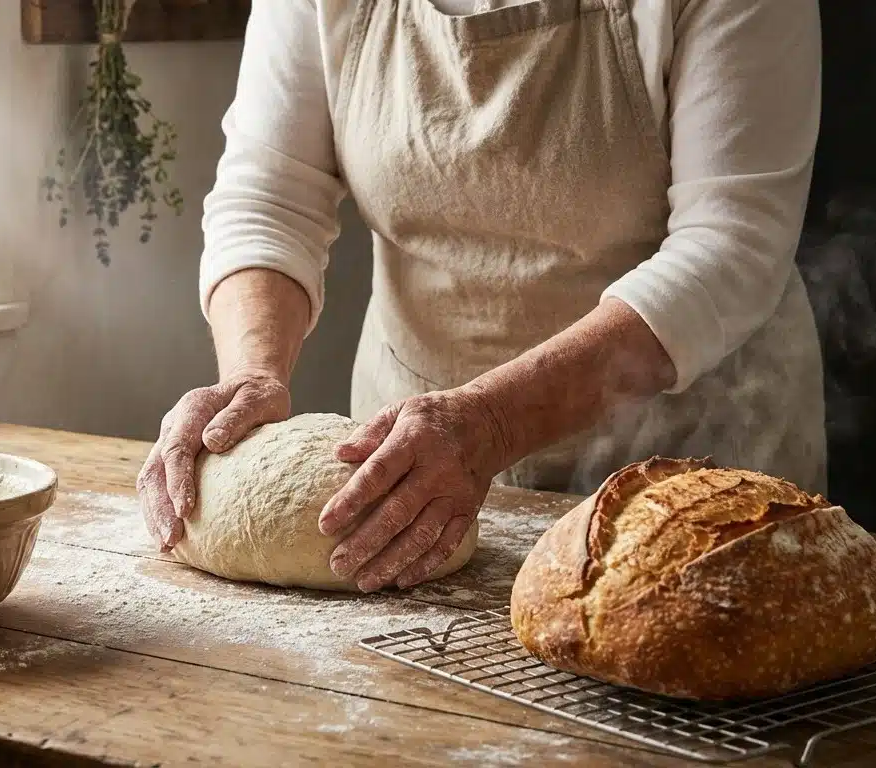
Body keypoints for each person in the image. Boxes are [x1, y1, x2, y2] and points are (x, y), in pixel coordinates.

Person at [137, 0, 825, 593]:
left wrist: (492, 423)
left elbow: (730, 243)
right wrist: (250, 373)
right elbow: (269, 195)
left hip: (687, 466)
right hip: (411, 462)